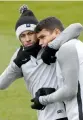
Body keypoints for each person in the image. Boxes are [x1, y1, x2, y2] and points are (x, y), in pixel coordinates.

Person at [0, 5, 82, 120]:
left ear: (37, 33)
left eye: (30, 33)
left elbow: (77, 27)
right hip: (44, 114)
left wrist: (52, 48)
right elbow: (2, 84)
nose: (27, 39)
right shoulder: (19, 56)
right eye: (23, 36)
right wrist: (16, 64)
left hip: (66, 112)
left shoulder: (49, 43)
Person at [31, 16, 83, 120]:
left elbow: (70, 91)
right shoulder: (77, 45)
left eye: (42, 37)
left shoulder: (66, 49)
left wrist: (42, 100)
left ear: (57, 32)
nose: (40, 43)